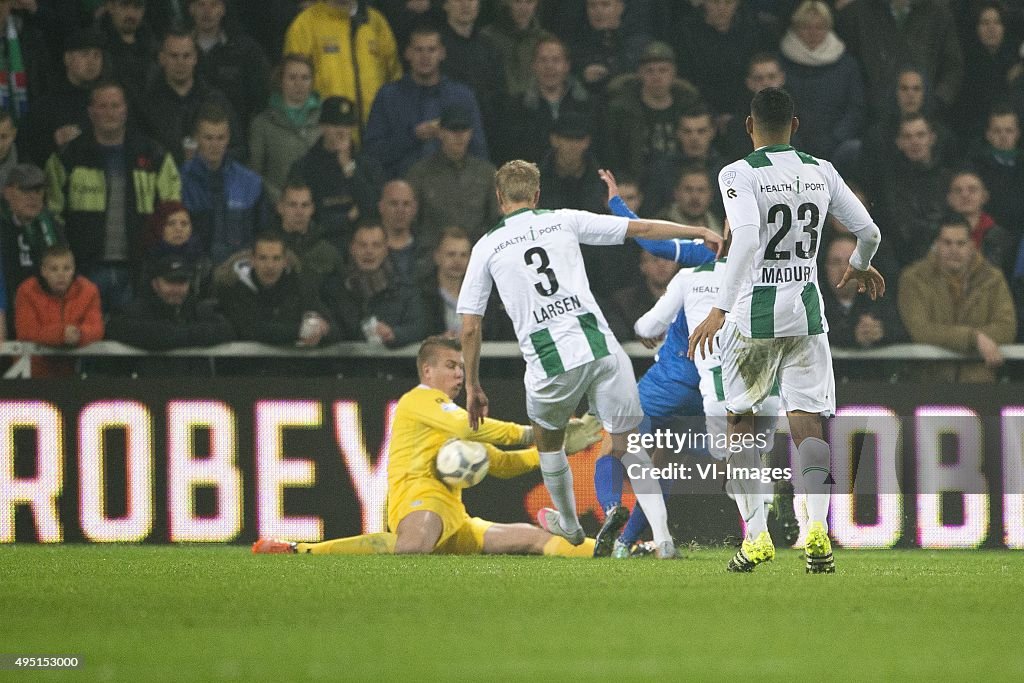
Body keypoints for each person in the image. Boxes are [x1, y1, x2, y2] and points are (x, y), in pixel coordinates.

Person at [457, 159, 724, 559]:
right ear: (537, 195)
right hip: (601, 347)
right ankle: (664, 540)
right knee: (630, 444)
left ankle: (569, 521)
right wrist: (698, 230)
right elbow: (643, 229)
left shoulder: (486, 247)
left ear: (499, 198)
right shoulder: (564, 219)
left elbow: (470, 327)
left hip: (549, 362)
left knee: (550, 441)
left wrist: (474, 384)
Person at [688, 87, 885, 574]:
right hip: (806, 313)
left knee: (741, 422)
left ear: (749, 126)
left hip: (753, 316)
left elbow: (749, 237)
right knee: (807, 421)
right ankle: (816, 528)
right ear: (795, 125)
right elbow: (870, 233)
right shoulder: (821, 169)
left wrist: (718, 307)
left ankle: (755, 538)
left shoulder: (737, 172)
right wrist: (860, 265)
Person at [252, 335, 604, 556]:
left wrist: (553, 451)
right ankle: (302, 551)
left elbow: (497, 462)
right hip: (420, 500)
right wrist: (537, 433)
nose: (459, 375)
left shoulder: (451, 413)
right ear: (427, 371)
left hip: (453, 517)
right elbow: (470, 428)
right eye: (451, 366)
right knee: (413, 546)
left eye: (462, 368)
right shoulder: (419, 401)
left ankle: (616, 550)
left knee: (532, 538)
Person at [45, 81, 181, 313]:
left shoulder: (154, 155)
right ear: (91, 112)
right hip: (83, 271)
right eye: (103, 106)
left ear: (126, 109)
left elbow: (172, 212)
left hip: (138, 271)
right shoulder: (69, 157)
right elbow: (52, 215)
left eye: (115, 105)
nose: (110, 112)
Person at [898, 217, 1016, 382]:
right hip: (928, 387)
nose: (954, 249)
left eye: (960, 243)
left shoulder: (993, 279)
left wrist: (968, 338)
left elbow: (1007, 328)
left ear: (972, 246)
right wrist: (973, 338)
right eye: (947, 243)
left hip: (980, 387)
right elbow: (920, 330)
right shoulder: (913, 278)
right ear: (936, 245)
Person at [363, 24, 487, 178]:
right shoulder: (388, 96)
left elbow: (479, 152)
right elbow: (372, 153)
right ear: (408, 53)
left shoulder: (462, 96)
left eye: (431, 50)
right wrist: (413, 136)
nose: (425, 57)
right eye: (419, 50)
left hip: (452, 189)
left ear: (442, 53)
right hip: (401, 189)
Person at [283, 0, 401, 134]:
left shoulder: (376, 22)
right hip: (326, 137)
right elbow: (292, 84)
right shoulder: (305, 24)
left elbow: (395, 79)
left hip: (377, 137)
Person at [105, 254, 235, 374]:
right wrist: (181, 334)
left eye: (182, 282)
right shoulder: (136, 310)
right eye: (170, 282)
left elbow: (227, 329)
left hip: (196, 392)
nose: (177, 289)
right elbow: (115, 327)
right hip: (147, 390)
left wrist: (175, 335)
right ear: (155, 284)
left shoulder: (200, 309)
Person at [288, 95, 384, 247]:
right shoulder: (304, 167)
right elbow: (302, 217)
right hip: (320, 246)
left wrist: (348, 167)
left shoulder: (368, 165)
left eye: (346, 125)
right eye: (334, 124)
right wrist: (347, 217)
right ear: (322, 126)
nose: (341, 131)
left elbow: (374, 211)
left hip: (363, 246)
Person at [181, 104, 269, 265]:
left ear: (228, 138)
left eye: (220, 138)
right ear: (196, 138)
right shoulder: (180, 181)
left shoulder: (250, 183)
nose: (215, 145)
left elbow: (264, 236)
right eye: (208, 138)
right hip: (194, 273)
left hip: (241, 275)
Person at [219, 231, 333, 347]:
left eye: (276, 258)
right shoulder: (234, 289)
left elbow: (334, 328)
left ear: (285, 261)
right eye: (263, 258)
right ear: (252, 261)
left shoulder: (301, 287)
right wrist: (300, 330)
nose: (270, 266)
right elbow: (250, 329)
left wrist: (322, 330)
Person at [404, 104, 499, 243]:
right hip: (431, 254)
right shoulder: (420, 173)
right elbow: (412, 221)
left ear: (471, 133)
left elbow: (495, 218)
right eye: (453, 129)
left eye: (464, 129)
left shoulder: (487, 172)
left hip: (477, 252)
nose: (459, 135)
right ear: (441, 133)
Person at [14, 244, 103, 377]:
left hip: (71, 375)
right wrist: (61, 334)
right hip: (31, 374)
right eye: (54, 269)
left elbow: (97, 328)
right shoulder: (26, 291)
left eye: (66, 268)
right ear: (43, 271)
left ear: (73, 269)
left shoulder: (89, 291)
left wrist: (79, 334)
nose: (61, 274)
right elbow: (26, 331)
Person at [247, 53, 321, 202]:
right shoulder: (262, 123)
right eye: (292, 77)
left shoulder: (325, 119)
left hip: (317, 204)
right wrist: (282, 200)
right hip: (276, 205)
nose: (299, 83)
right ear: (281, 81)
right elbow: (255, 172)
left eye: (305, 78)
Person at [1, 163, 63, 309]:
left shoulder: (52, 224)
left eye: (38, 190)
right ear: (7, 192)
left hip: (47, 309)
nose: (33, 196)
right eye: (25, 189)